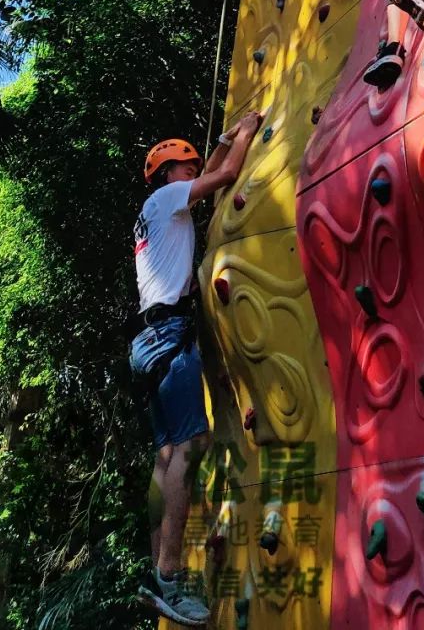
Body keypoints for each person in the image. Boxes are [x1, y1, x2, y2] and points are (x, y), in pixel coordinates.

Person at [130, 111, 262, 626]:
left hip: (147, 339)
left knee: (167, 459)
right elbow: (224, 178)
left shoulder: (157, 209)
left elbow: (207, 174)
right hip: (168, 336)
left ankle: (158, 570)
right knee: (192, 446)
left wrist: (222, 142)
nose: (193, 174)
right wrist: (247, 133)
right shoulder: (166, 199)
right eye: (186, 169)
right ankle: (168, 577)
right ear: (169, 175)